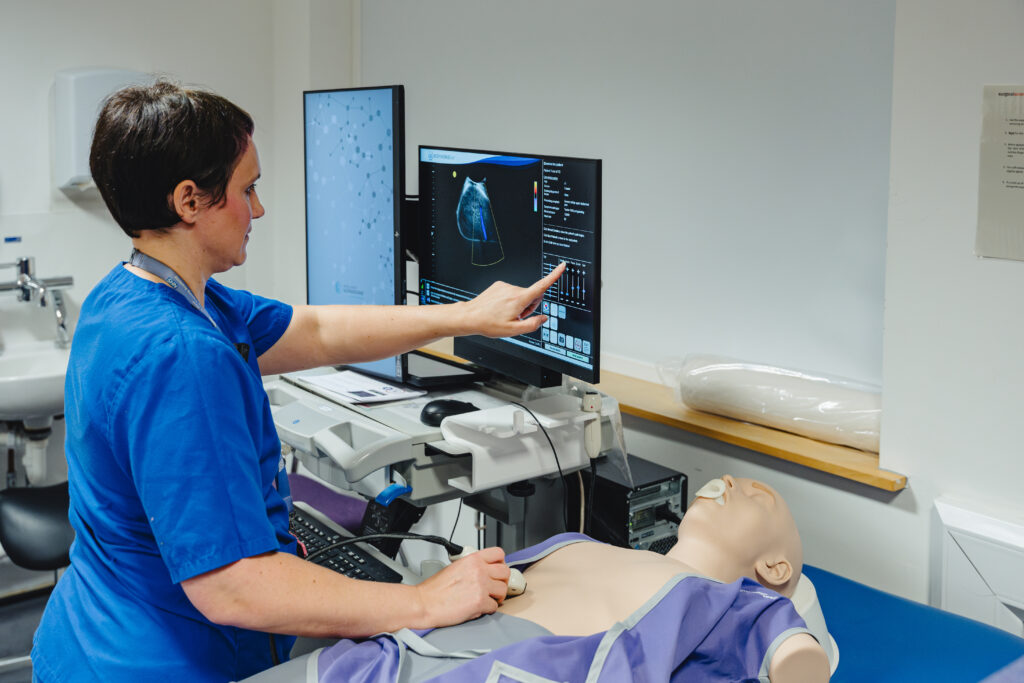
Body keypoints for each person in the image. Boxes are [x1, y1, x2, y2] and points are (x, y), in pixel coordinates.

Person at [30, 80, 566, 683]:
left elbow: (316, 330)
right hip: (158, 660)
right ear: (189, 200)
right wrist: (426, 601)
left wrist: (464, 317)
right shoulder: (182, 354)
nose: (257, 209)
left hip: (90, 632)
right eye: (247, 189)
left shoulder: (131, 295)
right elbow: (233, 587)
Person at [249, 475, 832, 683]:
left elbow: (799, 664)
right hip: (386, 657)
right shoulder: (575, 543)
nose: (726, 482)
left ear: (774, 569)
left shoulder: (729, 603)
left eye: (758, 494)